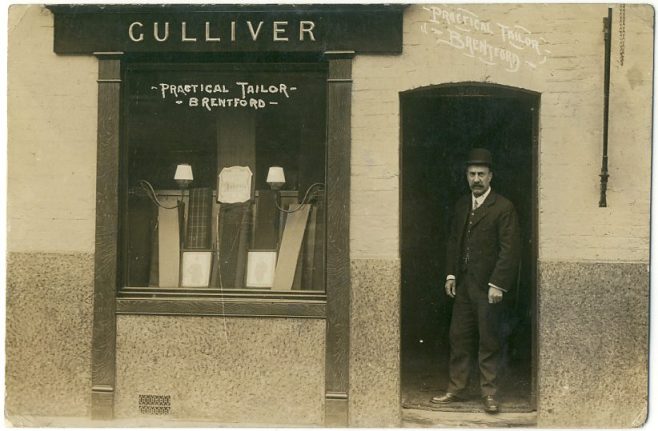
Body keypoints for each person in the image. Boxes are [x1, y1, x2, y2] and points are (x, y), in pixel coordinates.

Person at [431, 148, 521, 414]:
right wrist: (450, 275)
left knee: (489, 339)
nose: (476, 179)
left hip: (488, 287)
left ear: (491, 176)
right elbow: (453, 242)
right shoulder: (461, 205)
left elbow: (510, 250)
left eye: (481, 174)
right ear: (466, 176)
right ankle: (456, 389)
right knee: (458, 336)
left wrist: (498, 284)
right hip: (464, 286)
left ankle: (489, 393)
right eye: (472, 174)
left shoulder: (504, 207)